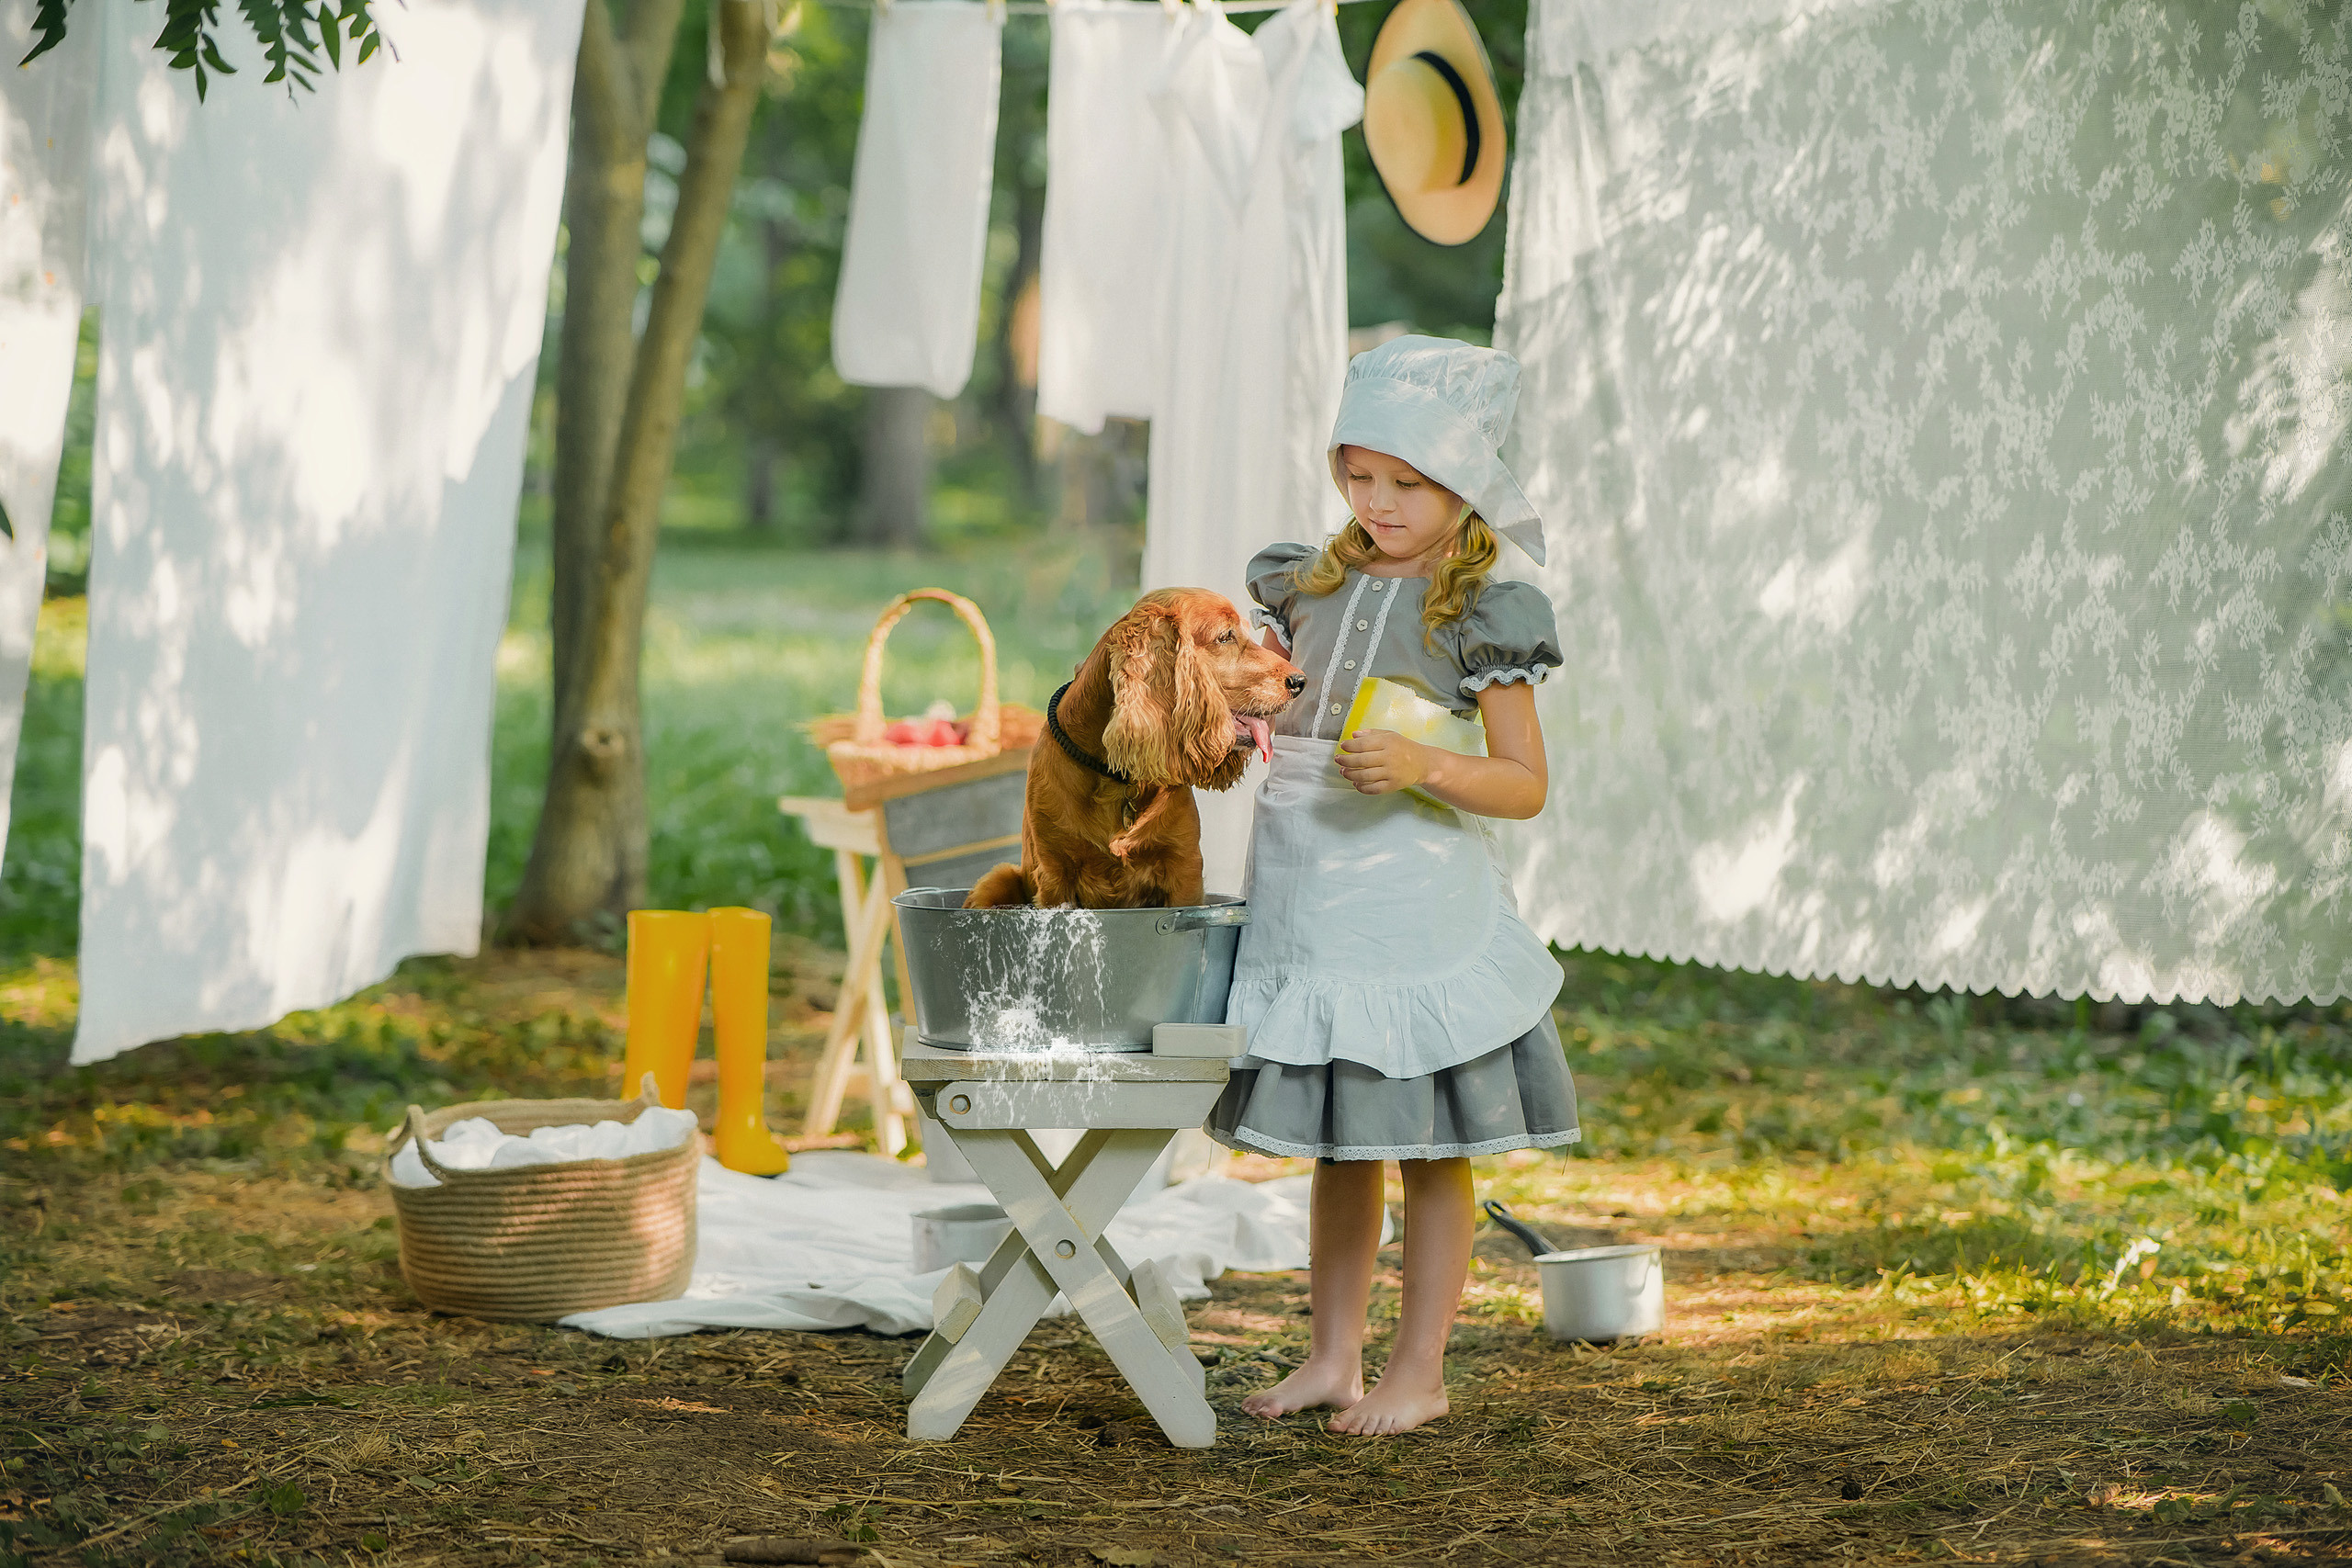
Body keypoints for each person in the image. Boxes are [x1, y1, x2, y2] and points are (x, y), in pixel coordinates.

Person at [1207, 335, 1580, 1437]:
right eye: (1357, 474)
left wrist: (1424, 765)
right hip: (1311, 897)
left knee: (1424, 1146)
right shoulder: (1303, 584)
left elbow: (1521, 785)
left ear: (1464, 482)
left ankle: (1419, 1369)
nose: (1375, 500)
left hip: (1411, 909)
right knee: (1338, 1142)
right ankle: (1332, 1356)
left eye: (1404, 482)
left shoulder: (1482, 614)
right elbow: (1267, 712)